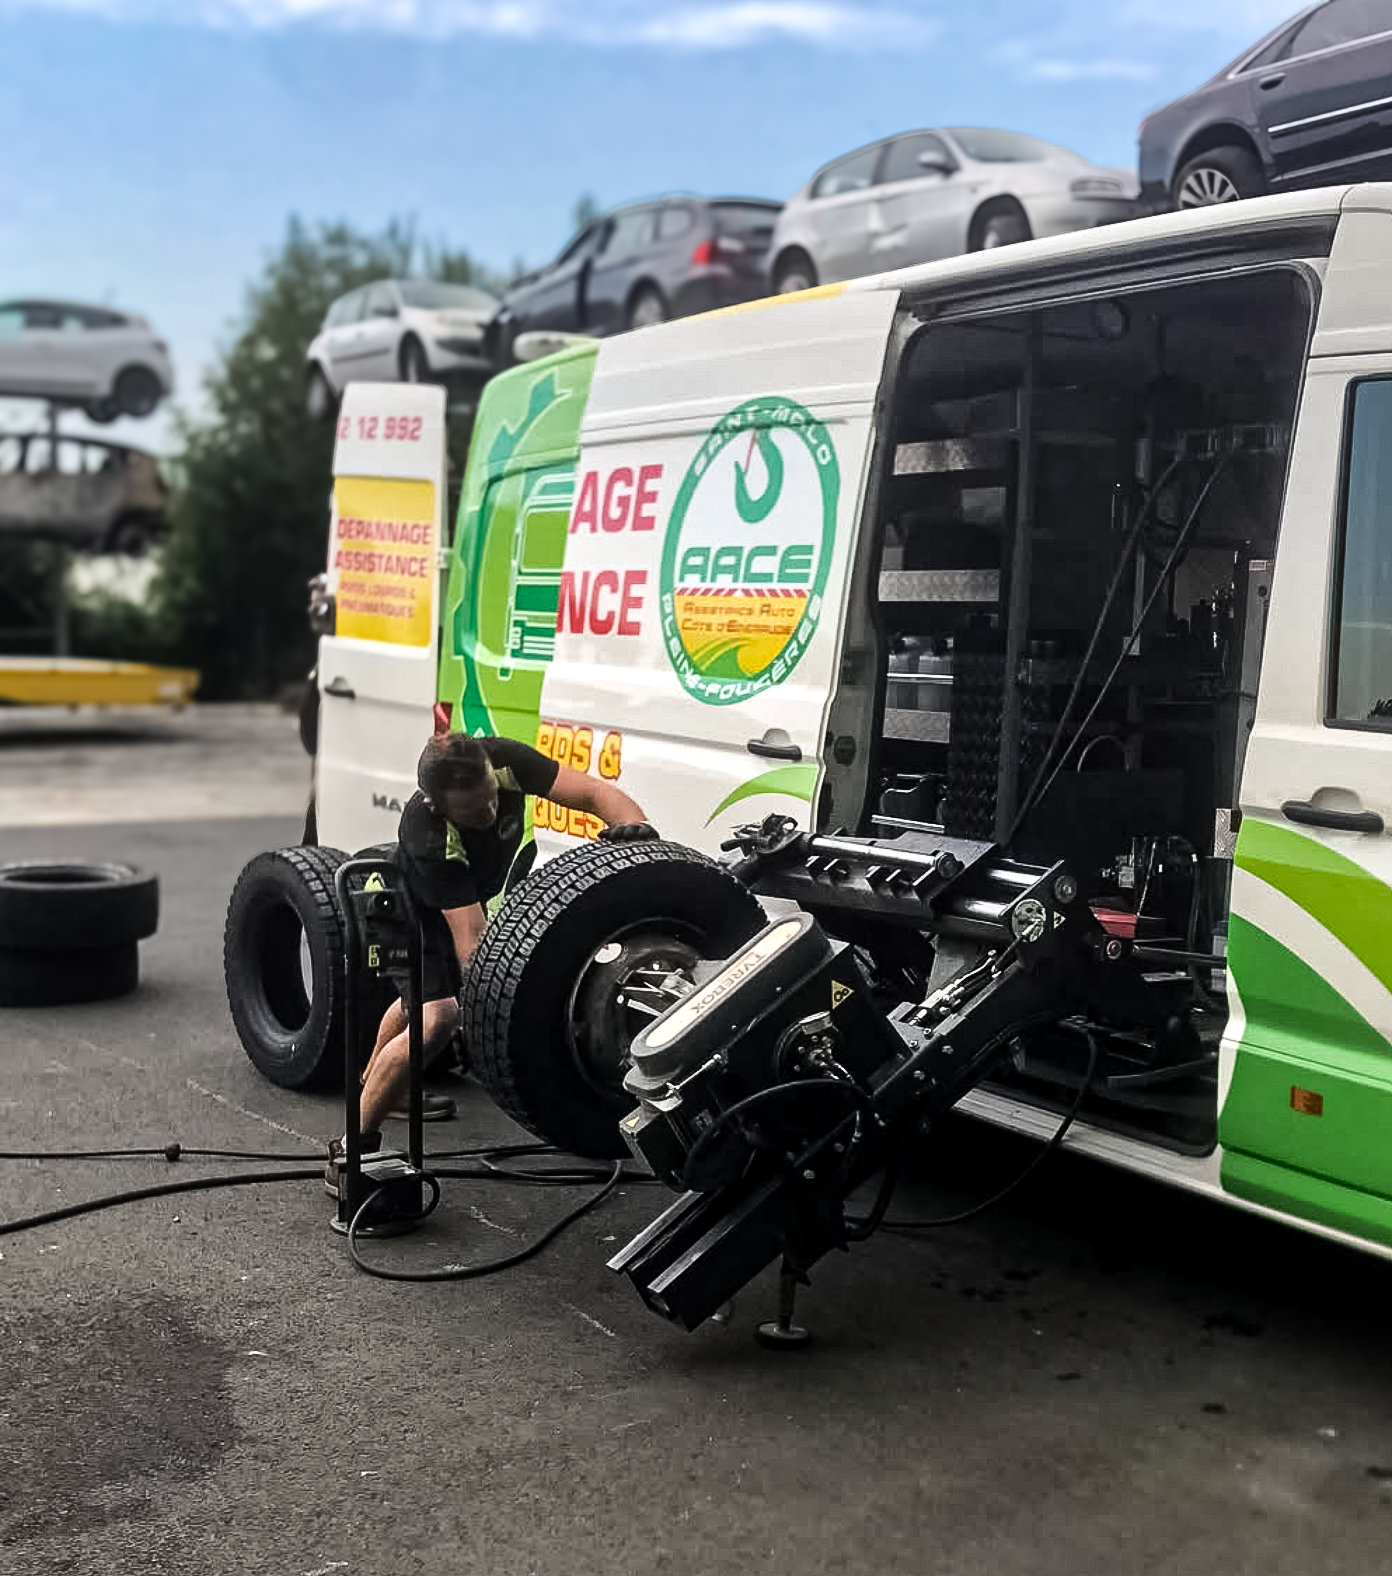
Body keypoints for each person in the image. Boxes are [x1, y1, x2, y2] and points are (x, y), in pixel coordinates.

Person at [326, 731, 655, 1190]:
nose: (489, 810)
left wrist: (639, 834)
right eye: (473, 810)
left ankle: (380, 1084)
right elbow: (473, 944)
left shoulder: (505, 760)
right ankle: (350, 1146)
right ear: (439, 806)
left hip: (461, 901)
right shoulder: (430, 835)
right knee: (438, 1016)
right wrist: (509, 1016)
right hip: (409, 909)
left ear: (489, 770)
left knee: (417, 1002)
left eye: (489, 797)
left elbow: (594, 793)